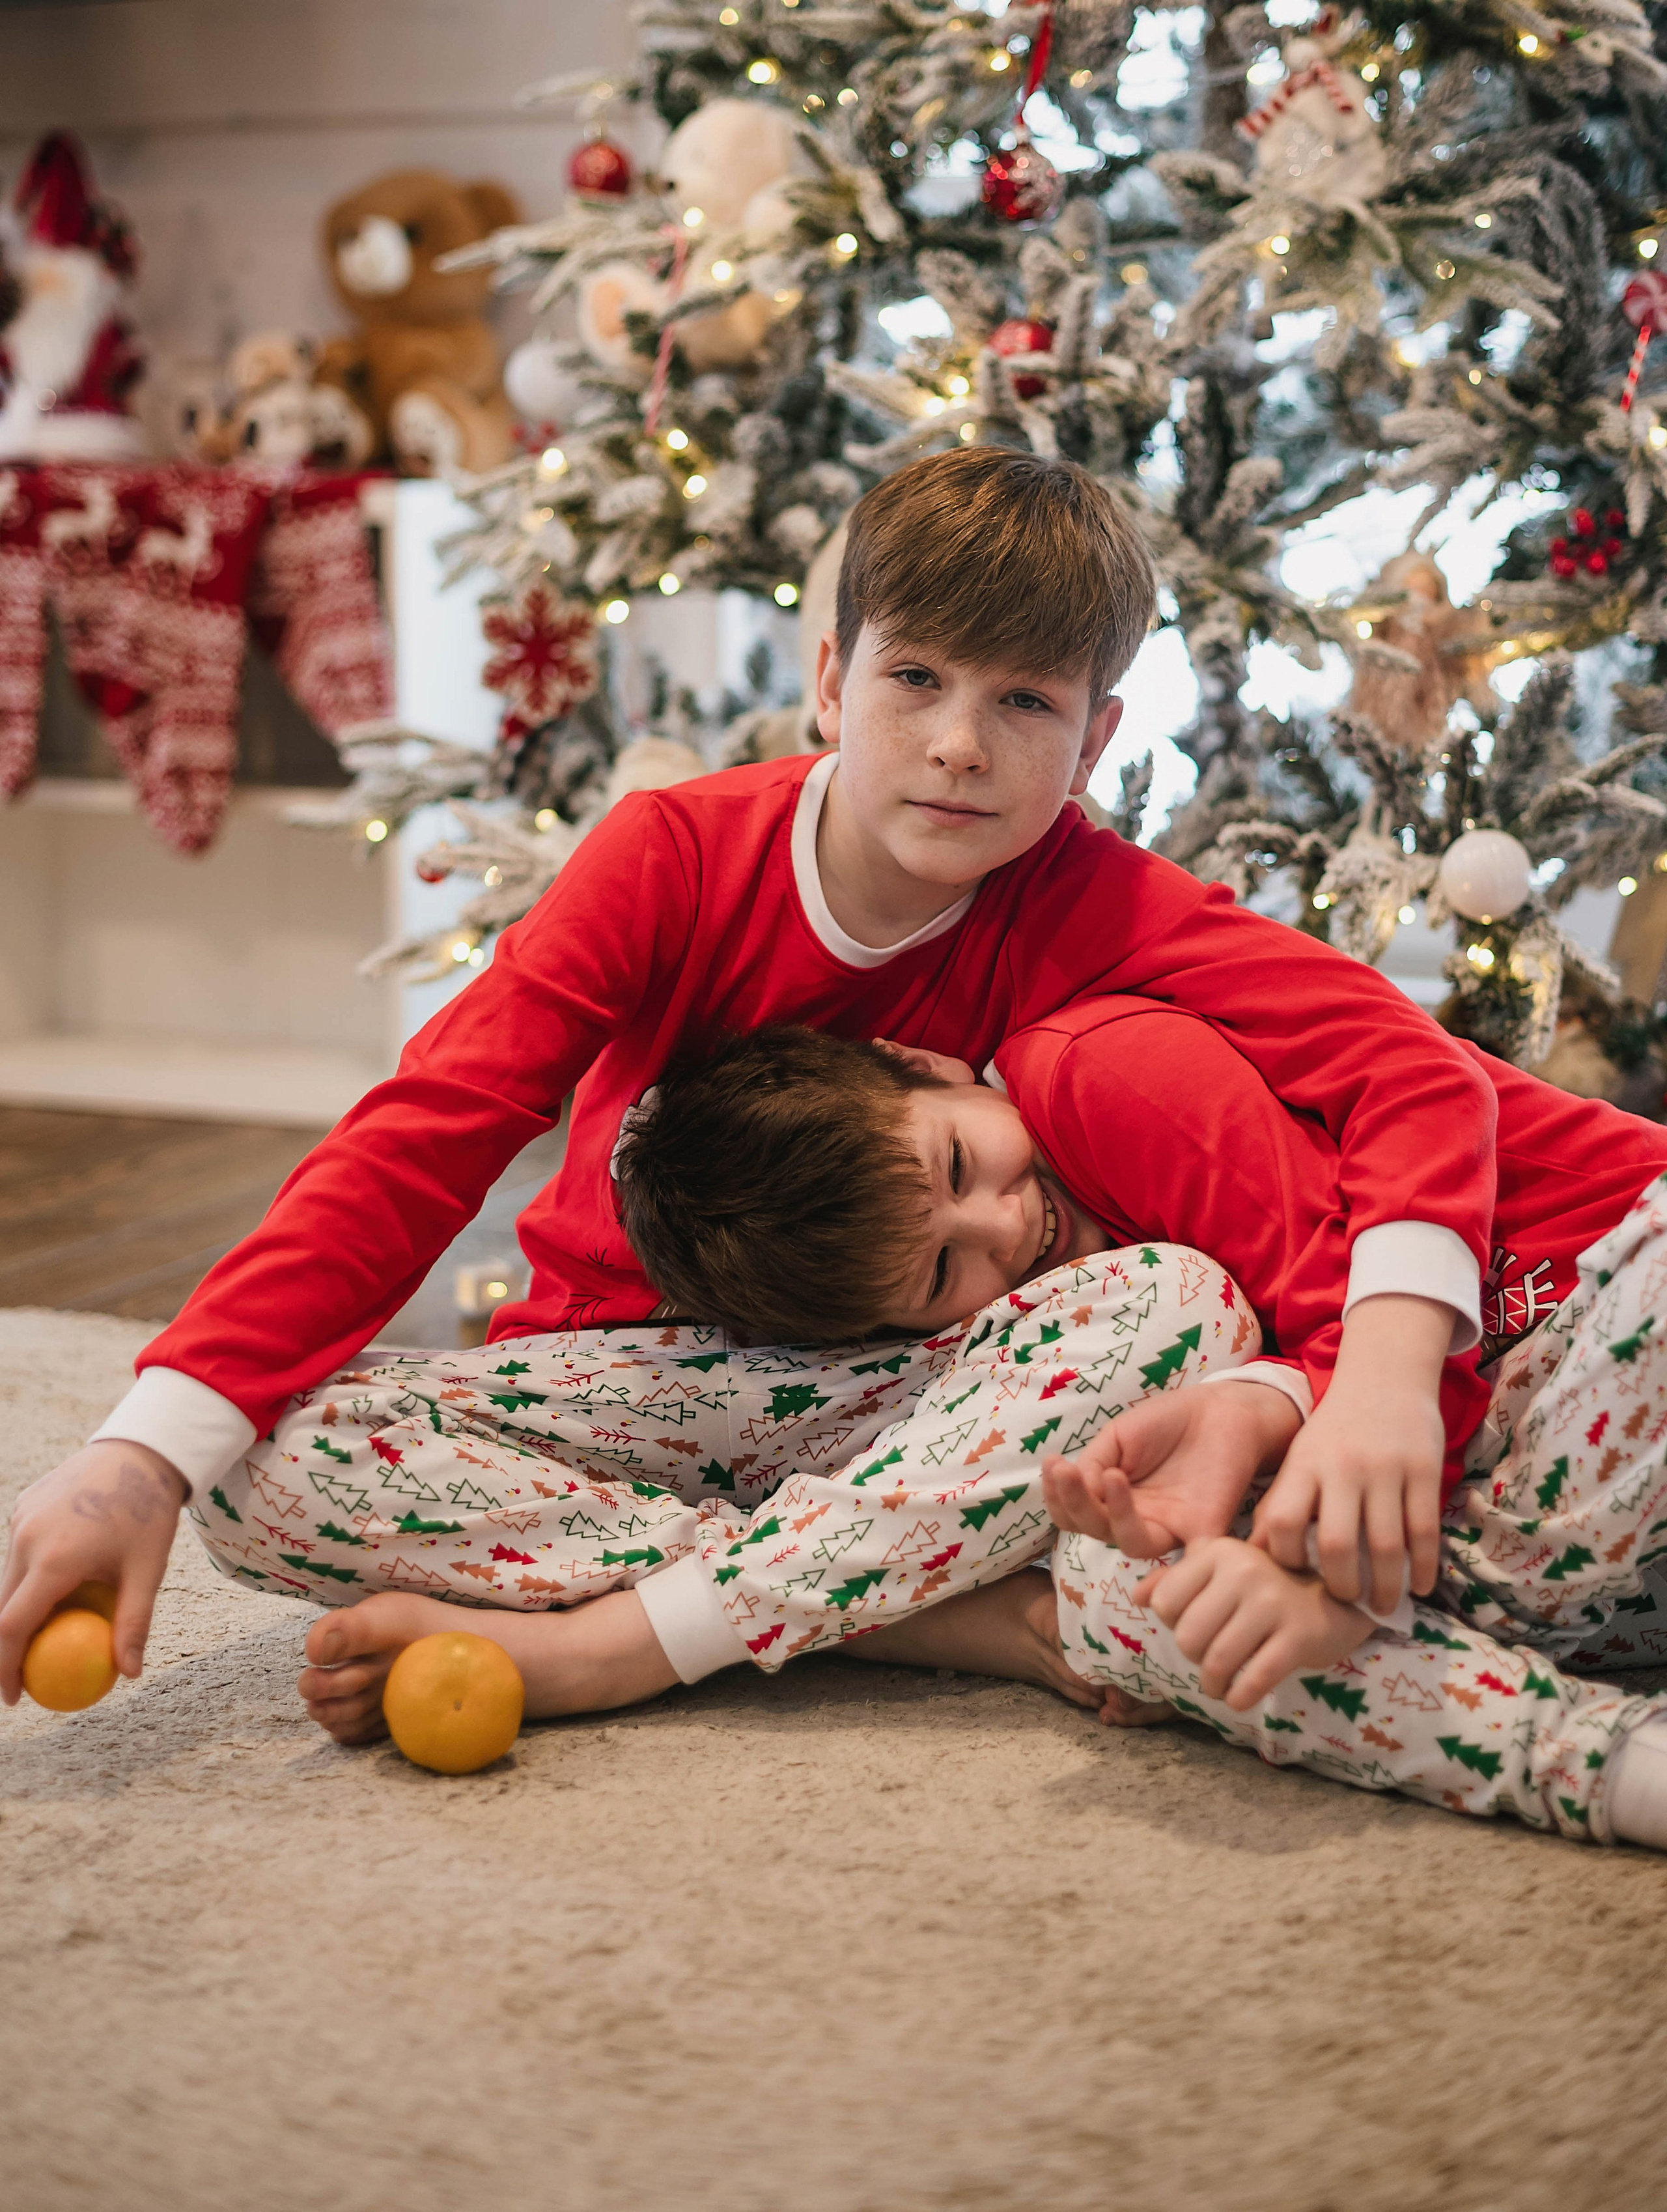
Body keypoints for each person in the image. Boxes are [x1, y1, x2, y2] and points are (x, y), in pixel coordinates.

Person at [4, 447, 1494, 1722]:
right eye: (912, 678)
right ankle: (924, 1610)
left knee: (1169, 1306)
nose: (958, 746)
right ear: (832, 679)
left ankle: (647, 1629)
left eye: (1025, 705)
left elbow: (1409, 1078)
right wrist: (136, 1455)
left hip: (920, 1380)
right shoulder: (670, 857)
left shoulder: (1097, 900)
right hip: (641, 1375)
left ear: (1095, 736)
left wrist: (1375, 1383)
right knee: (257, 1468)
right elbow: (430, 1128)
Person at [607, 1015, 1667, 1849]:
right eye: (941, 1273)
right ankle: (1624, 1775)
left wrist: (1330, 1564)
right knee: (1111, 1587)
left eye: (960, 1168)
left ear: (925, 1065)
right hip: (1532, 1568)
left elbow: (1366, 1325)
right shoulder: (1075, 1328)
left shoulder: (1102, 1075)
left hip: (1582, 1356)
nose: (1008, 1227)